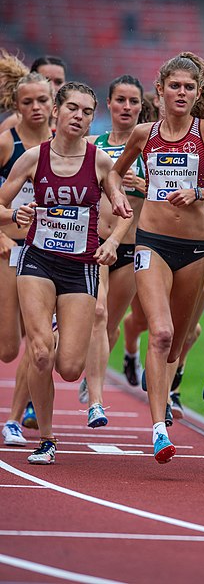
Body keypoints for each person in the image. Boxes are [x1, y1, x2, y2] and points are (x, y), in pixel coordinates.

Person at [107, 51, 204, 464]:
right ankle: (157, 430)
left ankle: (166, 387)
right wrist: (117, 195)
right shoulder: (143, 134)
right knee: (162, 332)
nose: (181, 92)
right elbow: (114, 173)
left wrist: (200, 192)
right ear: (161, 90)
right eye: (174, 86)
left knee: (179, 341)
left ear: (197, 92)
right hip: (151, 241)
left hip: (196, 248)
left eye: (189, 87)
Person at [0, 81, 131, 464]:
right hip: (37, 260)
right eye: (72, 108)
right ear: (57, 111)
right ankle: (47, 438)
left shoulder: (100, 161)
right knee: (39, 354)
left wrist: (111, 243)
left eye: (87, 111)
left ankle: (56, 330)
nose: (79, 116)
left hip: (81, 268)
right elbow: (1, 204)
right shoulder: (32, 158)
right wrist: (13, 215)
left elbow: (125, 213)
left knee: (70, 368)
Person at [78, 74, 148, 426]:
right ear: (109, 103)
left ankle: (100, 368)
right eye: (120, 100)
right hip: (97, 242)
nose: (126, 107)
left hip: (133, 245)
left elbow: (172, 195)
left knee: (110, 324)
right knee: (99, 313)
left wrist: (145, 184)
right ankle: (97, 399)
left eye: (133, 101)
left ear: (141, 106)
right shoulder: (93, 143)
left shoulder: (149, 147)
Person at [0, 72, 53, 447]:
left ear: (53, 103)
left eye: (42, 101)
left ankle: (14, 419)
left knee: (38, 337)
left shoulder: (62, 144)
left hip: (48, 253)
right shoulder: (7, 144)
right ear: (16, 107)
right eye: (28, 102)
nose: (36, 108)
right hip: (10, 249)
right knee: (7, 348)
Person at [0, 55, 67, 134]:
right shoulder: (15, 123)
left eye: (58, 82)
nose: (52, 87)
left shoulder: (71, 122)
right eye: (45, 80)